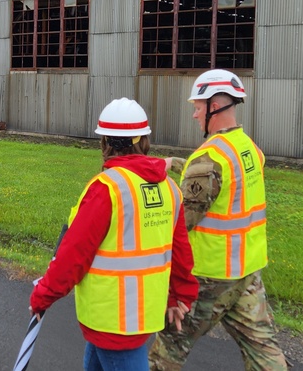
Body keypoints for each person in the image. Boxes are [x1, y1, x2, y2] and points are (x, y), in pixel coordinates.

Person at [30, 98, 198, 371]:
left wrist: (43, 295)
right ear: (144, 140)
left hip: (111, 319)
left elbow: (74, 253)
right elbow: (180, 252)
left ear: (105, 142)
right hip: (143, 315)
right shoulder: (169, 188)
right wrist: (179, 296)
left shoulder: (106, 188)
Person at [149, 69, 287, 371]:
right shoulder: (249, 148)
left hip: (209, 277)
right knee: (263, 351)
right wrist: (176, 164)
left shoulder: (209, 159)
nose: (194, 115)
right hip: (247, 271)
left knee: (169, 350)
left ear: (214, 106)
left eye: (197, 107)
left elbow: (179, 224)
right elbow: (227, 183)